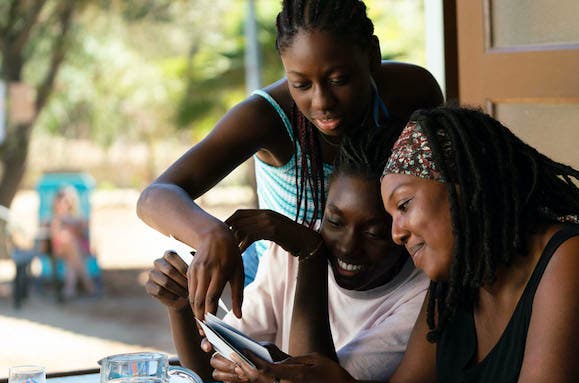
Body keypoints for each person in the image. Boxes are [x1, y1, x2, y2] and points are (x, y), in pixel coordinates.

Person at [228, 106, 579, 383]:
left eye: (404, 205)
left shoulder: (578, 263)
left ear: (465, 190)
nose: (397, 233)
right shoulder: (459, 281)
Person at [136, 0, 443, 322]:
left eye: (339, 80)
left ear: (372, 54)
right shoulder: (267, 117)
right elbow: (156, 195)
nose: (322, 102)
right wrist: (210, 234)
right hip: (283, 297)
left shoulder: (412, 91)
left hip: (386, 287)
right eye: (301, 85)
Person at [146, 122, 430, 383]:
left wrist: (312, 256)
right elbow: (209, 371)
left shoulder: (420, 297)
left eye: (374, 233)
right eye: (334, 221)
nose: (347, 245)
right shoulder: (292, 251)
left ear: (401, 230)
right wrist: (180, 305)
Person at [48, 186, 97, 300]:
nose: (63, 204)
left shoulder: (77, 218)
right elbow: (55, 236)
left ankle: (69, 289)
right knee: (69, 242)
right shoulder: (55, 219)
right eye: (60, 200)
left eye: (66, 201)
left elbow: (84, 233)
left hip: (77, 250)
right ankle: (88, 285)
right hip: (61, 249)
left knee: (71, 261)